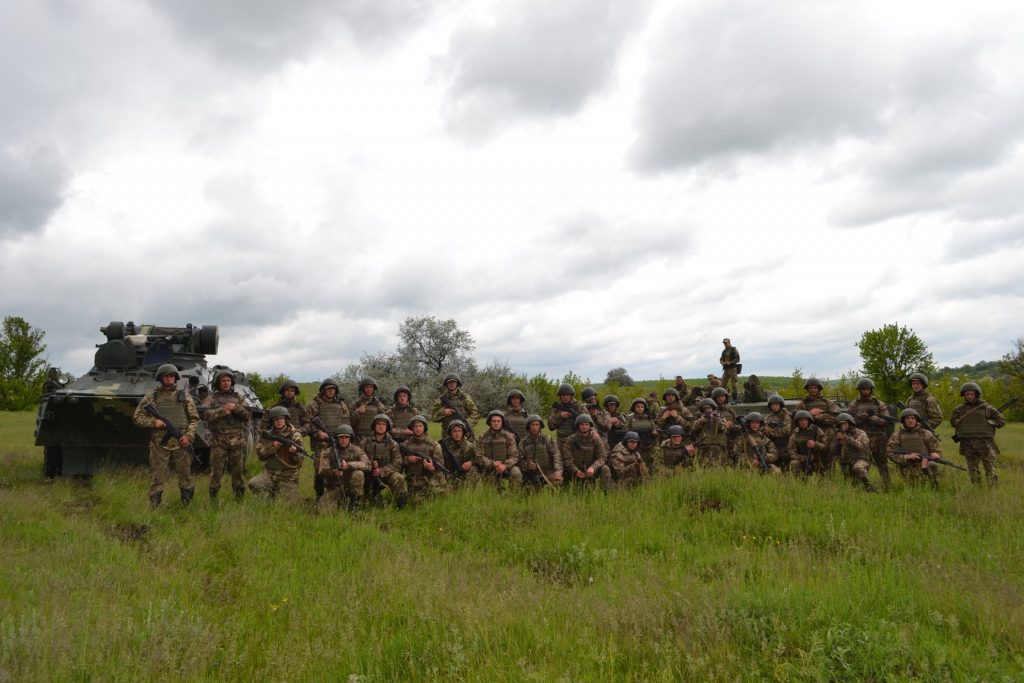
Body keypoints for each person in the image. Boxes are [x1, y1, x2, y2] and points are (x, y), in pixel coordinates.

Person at [133, 363, 199, 508]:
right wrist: (153, 422)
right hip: (159, 443)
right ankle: (155, 507)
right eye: (166, 376)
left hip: (181, 441)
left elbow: (194, 419)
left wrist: (188, 436)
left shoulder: (185, 397)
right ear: (160, 378)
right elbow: (137, 418)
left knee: (185, 475)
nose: (169, 379)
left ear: (175, 378)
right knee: (158, 477)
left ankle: (186, 506)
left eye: (171, 376)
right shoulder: (151, 398)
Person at [200, 369, 251, 502]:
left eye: (228, 380)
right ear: (218, 382)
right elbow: (204, 415)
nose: (226, 383)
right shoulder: (212, 398)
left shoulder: (239, 397)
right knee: (216, 473)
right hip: (218, 442)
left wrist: (235, 408)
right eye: (223, 381)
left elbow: (247, 415)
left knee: (238, 473)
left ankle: (239, 500)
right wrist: (223, 411)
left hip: (237, 442)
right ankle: (213, 501)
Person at [950, 382, 1006, 486]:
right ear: (964, 395)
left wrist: (990, 422)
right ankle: (977, 488)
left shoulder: (987, 408)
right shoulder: (959, 409)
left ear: (976, 394)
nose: (969, 396)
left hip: (985, 443)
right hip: (967, 443)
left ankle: (992, 489)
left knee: (989, 468)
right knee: (972, 469)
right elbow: (953, 422)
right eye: (967, 394)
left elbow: (1001, 421)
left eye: (971, 394)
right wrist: (958, 422)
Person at [305, 378, 351, 500]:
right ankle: (319, 495)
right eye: (328, 389)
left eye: (333, 389)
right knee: (320, 470)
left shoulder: (341, 405)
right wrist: (318, 433)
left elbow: (347, 423)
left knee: (339, 466)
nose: (331, 391)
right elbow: (307, 422)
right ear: (323, 390)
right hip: (321, 444)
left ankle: (338, 494)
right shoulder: (315, 404)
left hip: (338, 442)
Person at [249, 406, 306, 502]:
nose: (279, 421)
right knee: (254, 484)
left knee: (289, 506)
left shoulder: (295, 435)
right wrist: (273, 447)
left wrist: (294, 453)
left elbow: (300, 461)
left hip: (288, 475)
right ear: (272, 421)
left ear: (285, 419)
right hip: (270, 473)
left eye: (281, 419)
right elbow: (260, 456)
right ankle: (267, 502)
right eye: (276, 419)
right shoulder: (266, 435)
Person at [846, 379, 892, 490]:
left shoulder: (879, 404)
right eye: (863, 389)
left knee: (882, 462)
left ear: (871, 390)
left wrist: (871, 417)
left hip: (877, 436)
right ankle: (858, 485)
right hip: (860, 436)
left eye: (867, 389)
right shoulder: (854, 404)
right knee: (857, 460)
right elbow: (849, 421)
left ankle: (886, 485)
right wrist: (860, 418)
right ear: (860, 390)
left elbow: (885, 420)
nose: (865, 391)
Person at [317, 424, 370, 513]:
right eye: (341, 437)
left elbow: (367, 465)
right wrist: (334, 472)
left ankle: (354, 505)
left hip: (352, 487)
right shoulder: (329, 451)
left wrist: (349, 465)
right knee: (321, 511)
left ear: (350, 438)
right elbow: (322, 469)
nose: (344, 440)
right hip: (335, 487)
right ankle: (342, 502)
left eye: (346, 437)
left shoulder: (357, 450)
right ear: (337, 439)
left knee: (358, 474)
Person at [359, 414, 409, 508]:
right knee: (369, 503)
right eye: (378, 424)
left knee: (399, 478)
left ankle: (402, 506)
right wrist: (370, 465)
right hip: (369, 474)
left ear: (387, 427)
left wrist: (381, 471)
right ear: (374, 426)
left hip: (387, 474)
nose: (381, 426)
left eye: (383, 424)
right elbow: (359, 459)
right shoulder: (364, 442)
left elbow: (397, 463)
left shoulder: (393, 444)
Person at [887, 408, 942, 489]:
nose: (910, 420)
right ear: (903, 420)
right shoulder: (897, 435)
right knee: (909, 488)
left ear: (917, 420)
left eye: (913, 418)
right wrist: (906, 457)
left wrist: (936, 454)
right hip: (905, 467)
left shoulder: (925, 433)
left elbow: (936, 449)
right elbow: (890, 453)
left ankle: (935, 488)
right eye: (907, 418)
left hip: (923, 465)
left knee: (933, 465)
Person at [472, 410, 522, 489]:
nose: (496, 423)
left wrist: (505, 465)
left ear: (502, 422)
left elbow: (514, 456)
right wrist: (493, 463)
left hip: (505, 467)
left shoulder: (508, 437)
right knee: (491, 491)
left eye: (498, 421)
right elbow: (479, 456)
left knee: (516, 472)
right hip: (489, 468)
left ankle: (514, 496)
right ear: (490, 422)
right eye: (494, 421)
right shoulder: (482, 437)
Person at [401, 415, 447, 498]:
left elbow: (440, 465)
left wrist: (431, 468)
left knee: (438, 495)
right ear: (412, 428)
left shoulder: (433, 444)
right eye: (415, 426)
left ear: (424, 427)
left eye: (420, 426)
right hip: (412, 479)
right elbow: (398, 463)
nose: (418, 429)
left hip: (429, 478)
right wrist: (407, 459)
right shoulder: (406, 444)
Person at [796, 378, 837, 471]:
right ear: (807, 389)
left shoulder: (827, 402)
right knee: (814, 457)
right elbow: (796, 417)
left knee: (829, 456)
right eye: (810, 388)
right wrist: (810, 413)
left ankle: (830, 478)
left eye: (815, 388)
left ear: (819, 389)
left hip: (827, 433)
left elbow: (835, 416)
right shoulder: (803, 403)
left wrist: (820, 416)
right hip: (810, 433)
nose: (813, 390)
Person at [561, 414, 611, 489]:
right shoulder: (570, 440)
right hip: (575, 469)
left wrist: (593, 468)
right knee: (563, 469)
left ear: (590, 426)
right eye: (582, 424)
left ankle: (605, 492)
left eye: (587, 424)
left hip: (591, 469)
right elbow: (567, 459)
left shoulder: (596, 439)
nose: (584, 427)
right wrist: (576, 471)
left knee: (605, 469)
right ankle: (565, 489)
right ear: (578, 426)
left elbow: (602, 457)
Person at [830, 413, 875, 491]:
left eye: (844, 423)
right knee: (851, 484)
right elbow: (833, 452)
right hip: (846, 461)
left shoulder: (860, 433)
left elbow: (863, 447)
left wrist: (848, 439)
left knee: (858, 468)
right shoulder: (838, 435)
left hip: (861, 459)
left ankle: (870, 488)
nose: (843, 426)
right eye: (840, 424)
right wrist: (837, 441)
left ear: (850, 423)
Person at [518, 414, 563, 488]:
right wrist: (527, 465)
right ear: (528, 426)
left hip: (547, 473)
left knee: (558, 481)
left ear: (540, 426)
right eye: (532, 425)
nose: (535, 427)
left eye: (537, 425)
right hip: (530, 475)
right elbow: (519, 460)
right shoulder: (523, 442)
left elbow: (556, 455)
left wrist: (558, 471)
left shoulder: (547, 439)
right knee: (528, 490)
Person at [431, 373, 480, 439]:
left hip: (464, 433)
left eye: (453, 382)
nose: (451, 384)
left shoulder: (465, 397)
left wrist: (465, 424)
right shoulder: (441, 399)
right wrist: (443, 412)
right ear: (446, 384)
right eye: (449, 382)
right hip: (447, 435)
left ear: (457, 383)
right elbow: (434, 417)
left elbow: (475, 414)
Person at [690, 398, 729, 467]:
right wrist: (700, 423)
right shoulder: (699, 420)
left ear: (713, 408)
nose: (707, 410)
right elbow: (693, 431)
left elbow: (723, 428)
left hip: (718, 447)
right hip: (703, 448)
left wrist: (716, 420)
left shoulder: (720, 418)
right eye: (705, 409)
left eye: (709, 408)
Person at [787, 410, 828, 476]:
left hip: (818, 458)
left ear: (808, 420)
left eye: (805, 420)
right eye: (801, 420)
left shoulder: (816, 430)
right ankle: (800, 480)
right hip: (803, 460)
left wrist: (815, 444)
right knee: (794, 463)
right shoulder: (795, 434)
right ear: (798, 422)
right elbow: (791, 452)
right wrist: (805, 458)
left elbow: (826, 446)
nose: (803, 422)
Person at [625, 398, 659, 473]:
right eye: (638, 406)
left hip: (649, 445)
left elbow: (654, 430)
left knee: (651, 466)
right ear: (634, 407)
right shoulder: (630, 419)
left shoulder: (649, 418)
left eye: (642, 406)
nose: (640, 408)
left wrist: (654, 432)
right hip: (636, 446)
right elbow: (626, 431)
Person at [547, 383, 583, 452]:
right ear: (560, 396)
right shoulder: (557, 408)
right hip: (561, 443)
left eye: (568, 395)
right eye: (563, 395)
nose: (565, 397)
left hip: (576, 441)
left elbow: (587, 421)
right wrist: (560, 416)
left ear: (571, 396)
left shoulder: (578, 406)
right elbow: (550, 427)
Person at [440, 419, 477, 486]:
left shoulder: (469, 446)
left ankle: (468, 487)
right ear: (450, 432)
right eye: (454, 431)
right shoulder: (443, 445)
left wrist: (471, 462)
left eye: (459, 431)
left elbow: (478, 459)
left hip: (462, 473)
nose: (457, 433)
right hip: (447, 473)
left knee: (474, 469)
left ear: (463, 432)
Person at [762, 395, 793, 471]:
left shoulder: (786, 416)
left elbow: (787, 431)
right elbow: (764, 429)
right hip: (773, 446)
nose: (774, 406)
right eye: (772, 405)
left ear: (780, 405)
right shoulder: (768, 417)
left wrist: (771, 431)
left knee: (785, 467)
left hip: (784, 445)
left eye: (776, 404)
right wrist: (764, 429)